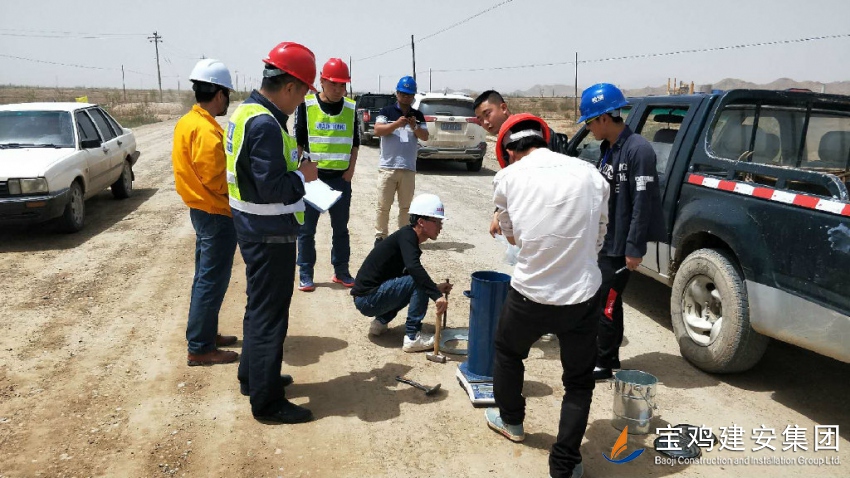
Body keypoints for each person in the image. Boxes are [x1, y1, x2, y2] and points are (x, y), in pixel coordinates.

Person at [484, 114, 609, 478]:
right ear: (546, 139)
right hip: (582, 295)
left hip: (530, 293)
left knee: (508, 352)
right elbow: (600, 234)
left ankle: (512, 422)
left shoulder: (508, 178)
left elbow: (512, 237)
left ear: (510, 151)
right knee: (578, 382)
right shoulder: (591, 175)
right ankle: (565, 464)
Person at [225, 42, 319, 424]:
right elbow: (272, 188)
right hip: (268, 233)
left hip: (253, 227)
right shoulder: (265, 123)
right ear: (290, 86)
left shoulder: (246, 111)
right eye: (303, 93)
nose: (301, 102)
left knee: (258, 307)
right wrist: (303, 176)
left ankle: (253, 376)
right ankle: (266, 402)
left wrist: (291, 165)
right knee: (270, 316)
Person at [577, 83, 665, 381]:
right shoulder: (608, 149)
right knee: (608, 300)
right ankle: (611, 355)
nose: (588, 128)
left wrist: (634, 248)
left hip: (621, 244)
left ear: (604, 118)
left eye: (589, 122)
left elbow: (643, 202)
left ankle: (602, 362)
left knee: (606, 301)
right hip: (607, 240)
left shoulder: (638, 150)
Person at [172, 58, 239, 367]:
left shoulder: (188, 122)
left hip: (200, 210)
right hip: (215, 213)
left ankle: (205, 334)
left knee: (204, 278)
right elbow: (216, 179)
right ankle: (200, 347)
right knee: (211, 281)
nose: (227, 101)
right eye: (227, 95)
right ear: (219, 94)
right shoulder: (206, 131)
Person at [351, 193, 453, 352]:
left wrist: (434, 288)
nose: (440, 226)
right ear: (421, 222)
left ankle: (380, 322)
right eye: (437, 221)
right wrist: (436, 295)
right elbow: (414, 270)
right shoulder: (407, 237)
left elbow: (403, 278)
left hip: (367, 298)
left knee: (414, 281)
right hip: (368, 299)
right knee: (416, 280)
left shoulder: (407, 237)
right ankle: (412, 337)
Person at [294, 58, 359, 292]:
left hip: (340, 180)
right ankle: (305, 273)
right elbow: (299, 141)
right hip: (313, 180)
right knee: (306, 230)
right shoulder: (307, 105)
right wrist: (295, 173)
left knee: (340, 230)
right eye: (334, 84)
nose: (338, 89)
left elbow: (355, 143)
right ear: (322, 81)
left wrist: (350, 171)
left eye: (343, 85)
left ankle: (341, 271)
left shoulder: (351, 108)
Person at [473, 90, 569, 238]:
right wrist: (499, 212)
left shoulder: (536, 132)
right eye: (480, 119)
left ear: (503, 108)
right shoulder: (504, 140)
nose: (485, 122)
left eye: (487, 114)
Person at [372, 76, 429, 244]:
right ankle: (381, 237)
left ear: (413, 96)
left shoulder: (417, 115)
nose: (405, 97)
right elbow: (378, 130)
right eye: (403, 94)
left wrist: (414, 126)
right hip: (388, 167)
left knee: (406, 207)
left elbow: (425, 136)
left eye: (409, 95)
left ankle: (404, 238)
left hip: (408, 168)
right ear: (397, 93)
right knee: (383, 206)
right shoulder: (386, 112)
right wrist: (396, 124)